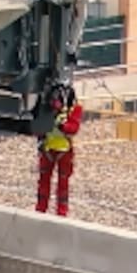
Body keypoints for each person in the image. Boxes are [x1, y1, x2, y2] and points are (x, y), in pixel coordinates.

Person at [37, 86, 84, 217]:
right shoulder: (46, 108)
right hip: (48, 149)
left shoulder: (75, 109)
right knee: (43, 181)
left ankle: (62, 211)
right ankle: (41, 208)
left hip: (64, 151)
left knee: (63, 183)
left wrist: (62, 125)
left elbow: (74, 128)